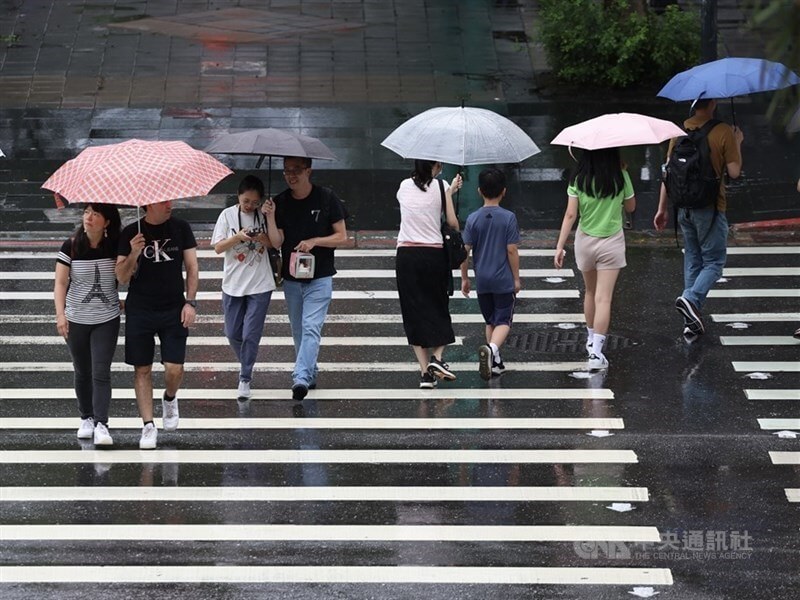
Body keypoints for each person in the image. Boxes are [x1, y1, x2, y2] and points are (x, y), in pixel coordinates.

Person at [654, 98, 744, 337]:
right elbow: (734, 172)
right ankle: (691, 299)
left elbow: (668, 172)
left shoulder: (679, 131)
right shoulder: (723, 131)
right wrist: (737, 143)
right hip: (710, 207)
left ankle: (690, 319)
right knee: (714, 262)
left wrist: (662, 208)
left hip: (682, 207)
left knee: (693, 258)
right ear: (712, 103)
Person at [262, 156, 348, 401]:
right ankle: (310, 372)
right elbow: (277, 242)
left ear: (308, 171)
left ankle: (300, 377)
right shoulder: (280, 202)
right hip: (291, 279)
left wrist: (315, 241)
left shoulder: (326, 198)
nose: (291, 175)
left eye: (296, 170)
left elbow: (342, 237)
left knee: (311, 327)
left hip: (320, 277)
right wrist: (269, 216)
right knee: (299, 330)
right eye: (287, 170)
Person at [115, 201, 199, 449]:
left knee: (175, 368)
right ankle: (148, 425)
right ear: (148, 205)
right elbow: (120, 277)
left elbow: (192, 267)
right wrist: (133, 253)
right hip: (140, 308)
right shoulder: (131, 232)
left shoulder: (181, 228)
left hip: (173, 307)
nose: (169, 205)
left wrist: (190, 303)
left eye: (169, 201)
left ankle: (170, 398)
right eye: (163, 202)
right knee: (142, 369)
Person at [554, 147, 636, 371]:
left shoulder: (578, 178)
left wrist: (560, 246)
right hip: (611, 242)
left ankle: (590, 339)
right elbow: (631, 206)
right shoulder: (620, 176)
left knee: (589, 292)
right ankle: (597, 352)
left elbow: (571, 214)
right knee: (604, 299)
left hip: (585, 241)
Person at [54, 204, 122, 446]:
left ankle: (102, 423)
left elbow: (126, 276)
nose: (89, 218)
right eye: (86, 212)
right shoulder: (71, 246)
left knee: (101, 371)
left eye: (95, 214)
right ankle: (86, 417)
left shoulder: (115, 246)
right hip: (76, 319)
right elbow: (61, 283)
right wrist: (60, 315)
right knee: (82, 371)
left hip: (106, 319)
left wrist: (132, 252)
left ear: (107, 222)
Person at [394, 159, 463, 388]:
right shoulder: (441, 187)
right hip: (432, 255)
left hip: (406, 255)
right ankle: (438, 358)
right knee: (438, 307)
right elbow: (451, 222)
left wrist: (448, 191)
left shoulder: (403, 186)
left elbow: (421, 200)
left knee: (414, 311)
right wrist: (450, 194)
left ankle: (425, 374)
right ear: (436, 165)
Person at [211, 175, 275, 400]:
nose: (250, 206)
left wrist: (263, 233)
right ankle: (248, 360)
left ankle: (245, 377)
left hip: (260, 283)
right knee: (232, 332)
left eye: (254, 202)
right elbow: (218, 247)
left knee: (250, 334)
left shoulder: (264, 214)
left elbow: (275, 243)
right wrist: (238, 237)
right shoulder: (227, 215)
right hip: (233, 283)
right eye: (246, 201)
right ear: (238, 196)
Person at [460, 167, 521, 380]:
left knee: (490, 321)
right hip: (503, 278)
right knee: (504, 320)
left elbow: (464, 252)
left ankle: (495, 362)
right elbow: (511, 250)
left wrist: (465, 278)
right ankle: (491, 350)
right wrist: (516, 278)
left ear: (479, 191)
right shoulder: (508, 218)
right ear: (504, 191)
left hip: (482, 280)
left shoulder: (472, 219)